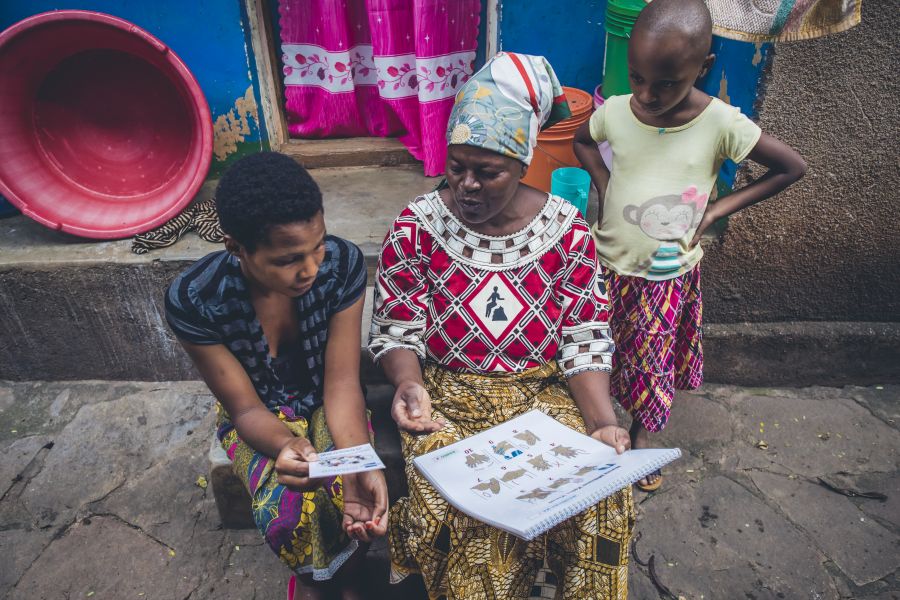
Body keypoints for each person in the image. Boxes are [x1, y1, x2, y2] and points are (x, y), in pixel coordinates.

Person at [369, 52, 635, 599]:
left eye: (486, 171)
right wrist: (408, 383)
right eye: (456, 166)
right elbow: (398, 328)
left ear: (522, 162)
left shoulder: (566, 230)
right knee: (463, 508)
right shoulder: (417, 226)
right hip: (445, 396)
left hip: (540, 394)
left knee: (601, 498)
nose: (466, 185)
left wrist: (602, 423)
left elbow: (585, 338)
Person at [573, 0, 806, 492]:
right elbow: (583, 142)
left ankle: (638, 438)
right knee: (601, 350)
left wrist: (719, 209)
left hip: (666, 275)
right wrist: (603, 180)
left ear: (702, 68)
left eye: (665, 83)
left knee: (650, 360)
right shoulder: (615, 111)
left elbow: (791, 167)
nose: (647, 94)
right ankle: (599, 422)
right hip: (607, 267)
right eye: (636, 77)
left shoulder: (720, 123)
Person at [164, 152, 388, 600]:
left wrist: (357, 459)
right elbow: (244, 406)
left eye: (317, 245)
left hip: (328, 399)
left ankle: (347, 578)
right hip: (259, 413)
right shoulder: (195, 300)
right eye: (288, 259)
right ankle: (312, 582)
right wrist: (285, 445)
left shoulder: (341, 265)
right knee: (285, 512)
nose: (310, 268)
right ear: (237, 248)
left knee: (350, 493)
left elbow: (341, 382)